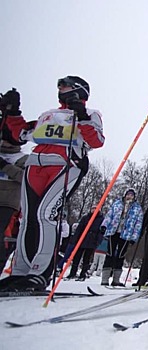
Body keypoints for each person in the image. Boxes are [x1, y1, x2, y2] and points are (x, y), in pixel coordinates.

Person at [0, 76, 104, 291]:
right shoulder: (48, 114)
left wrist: (82, 115)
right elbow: (20, 135)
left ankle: (40, 271)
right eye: (59, 86)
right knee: (28, 217)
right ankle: (20, 271)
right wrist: (12, 112)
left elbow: (96, 140)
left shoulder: (91, 113)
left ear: (79, 90)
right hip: (35, 164)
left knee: (46, 215)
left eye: (65, 86)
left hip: (66, 164)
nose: (60, 89)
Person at [0, 89, 28, 269]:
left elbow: (25, 178)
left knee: (3, 238)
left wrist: (5, 167)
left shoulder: (23, 159)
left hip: (8, 204)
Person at [100, 188, 143, 286]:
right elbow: (109, 215)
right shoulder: (117, 204)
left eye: (132, 195)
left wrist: (134, 237)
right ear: (125, 195)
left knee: (120, 255)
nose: (130, 197)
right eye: (128, 195)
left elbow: (138, 223)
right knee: (110, 253)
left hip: (126, 234)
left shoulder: (137, 208)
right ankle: (105, 278)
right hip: (113, 231)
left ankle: (116, 279)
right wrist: (104, 225)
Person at [67, 206, 104, 281]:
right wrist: (75, 239)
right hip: (82, 239)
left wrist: (98, 241)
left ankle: (83, 273)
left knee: (86, 258)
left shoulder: (101, 219)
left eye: (95, 209)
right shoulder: (85, 218)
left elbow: (101, 232)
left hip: (92, 240)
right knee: (77, 257)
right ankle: (73, 272)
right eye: (92, 209)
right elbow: (79, 228)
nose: (93, 210)